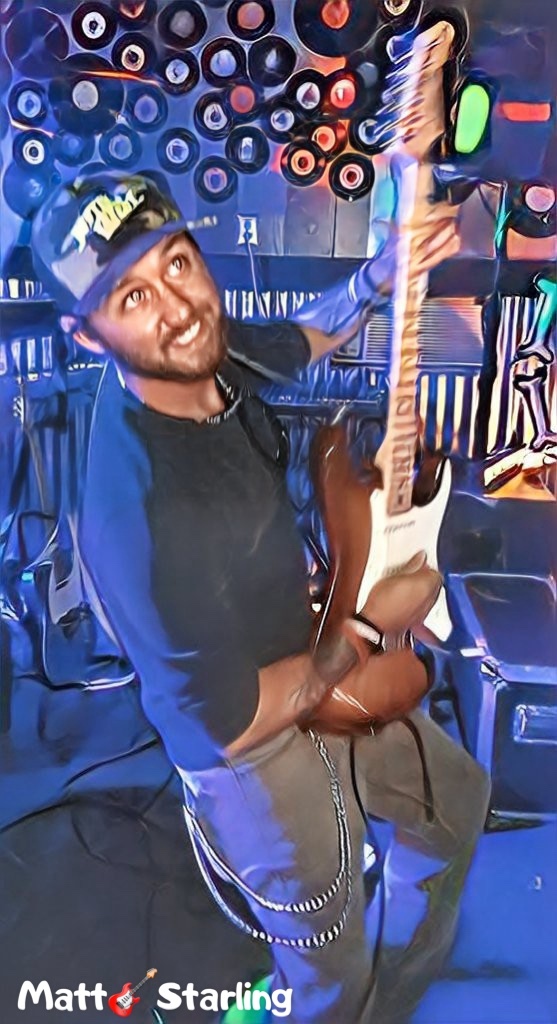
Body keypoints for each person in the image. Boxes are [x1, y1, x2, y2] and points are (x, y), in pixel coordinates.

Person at [31, 171, 490, 1024]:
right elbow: (231, 722)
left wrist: (380, 273)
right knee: (327, 961)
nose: (178, 308)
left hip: (306, 652)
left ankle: (399, 986)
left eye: (176, 264)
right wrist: (368, 623)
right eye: (131, 296)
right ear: (85, 335)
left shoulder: (202, 352)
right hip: (251, 756)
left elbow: (296, 338)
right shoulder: (143, 516)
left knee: (456, 805)